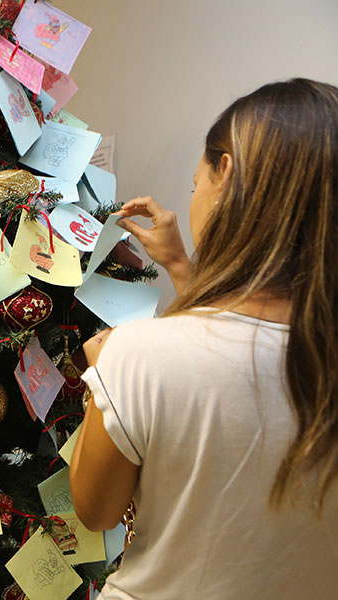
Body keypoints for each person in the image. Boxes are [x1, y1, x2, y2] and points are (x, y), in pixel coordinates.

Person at [69, 78, 338, 598]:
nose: (193, 198)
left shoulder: (137, 356)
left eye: (196, 185)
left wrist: (98, 387)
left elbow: (96, 510)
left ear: (228, 172)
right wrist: (179, 264)